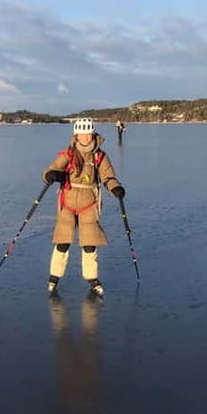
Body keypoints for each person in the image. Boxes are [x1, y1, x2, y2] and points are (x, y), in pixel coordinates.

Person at [43, 118, 125, 296]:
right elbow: (52, 168)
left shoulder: (100, 156)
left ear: (93, 134)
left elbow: (108, 177)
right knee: (63, 241)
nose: (85, 138)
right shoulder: (68, 154)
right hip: (68, 203)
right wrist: (52, 175)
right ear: (76, 135)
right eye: (82, 134)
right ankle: (54, 277)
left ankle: (92, 278)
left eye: (88, 133)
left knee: (90, 243)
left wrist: (115, 188)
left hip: (89, 204)